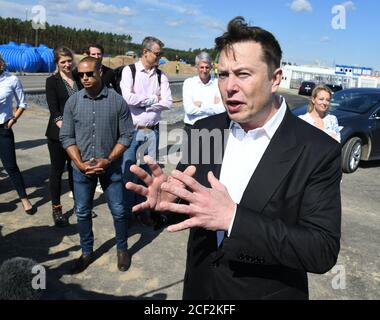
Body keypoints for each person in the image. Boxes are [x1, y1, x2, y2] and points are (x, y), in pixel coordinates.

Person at [126, 17, 342, 299]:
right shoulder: (206, 131)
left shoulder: (317, 150)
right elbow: (186, 202)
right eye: (223, 74)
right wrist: (165, 206)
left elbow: (321, 251)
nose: (229, 87)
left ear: (275, 79)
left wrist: (234, 219)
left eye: (243, 74)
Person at [60, 56, 134, 274]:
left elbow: (127, 135)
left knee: (119, 211)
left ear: (100, 72)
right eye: (81, 74)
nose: (84, 78)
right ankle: (86, 252)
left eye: (89, 74)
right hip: (81, 170)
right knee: (82, 212)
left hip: (110, 168)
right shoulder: (73, 102)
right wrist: (79, 163)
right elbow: (66, 137)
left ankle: (122, 249)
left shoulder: (117, 101)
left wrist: (108, 159)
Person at [119, 36, 172, 227]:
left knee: (148, 176)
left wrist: (145, 105)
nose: (160, 57)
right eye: (157, 54)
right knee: (128, 172)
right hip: (131, 132)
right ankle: (125, 213)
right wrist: (152, 99)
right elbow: (127, 99)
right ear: (145, 52)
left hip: (153, 132)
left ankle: (142, 210)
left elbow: (167, 102)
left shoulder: (161, 76)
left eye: (160, 54)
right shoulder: (129, 71)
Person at [45, 47, 83, 227]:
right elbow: (54, 111)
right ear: (57, 64)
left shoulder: (79, 78)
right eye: (63, 62)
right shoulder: (52, 81)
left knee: (75, 170)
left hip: (78, 134)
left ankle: (80, 205)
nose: (67, 64)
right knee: (57, 171)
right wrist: (67, 131)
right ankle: (57, 209)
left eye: (69, 60)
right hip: (58, 135)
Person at [0, 54, 36, 215]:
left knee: (11, 166)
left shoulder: (12, 79)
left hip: (3, 129)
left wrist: (13, 120)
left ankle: (24, 199)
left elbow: (22, 103)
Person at [182, 51, 225, 129]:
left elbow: (222, 109)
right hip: (192, 127)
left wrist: (200, 105)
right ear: (196, 67)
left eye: (207, 67)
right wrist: (212, 105)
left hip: (213, 128)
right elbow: (189, 109)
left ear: (211, 67)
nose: (204, 70)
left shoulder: (218, 83)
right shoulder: (188, 83)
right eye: (202, 67)